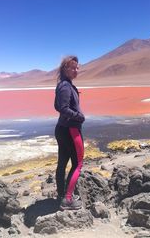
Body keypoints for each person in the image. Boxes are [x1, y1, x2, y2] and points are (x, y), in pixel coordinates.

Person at [54, 55, 85, 210]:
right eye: (73, 67)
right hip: (71, 130)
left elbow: (57, 106)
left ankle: (61, 195)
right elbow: (62, 108)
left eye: (77, 67)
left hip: (62, 129)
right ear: (65, 68)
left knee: (62, 163)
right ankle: (67, 199)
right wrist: (79, 116)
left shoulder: (63, 85)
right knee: (78, 163)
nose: (76, 70)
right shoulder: (66, 86)